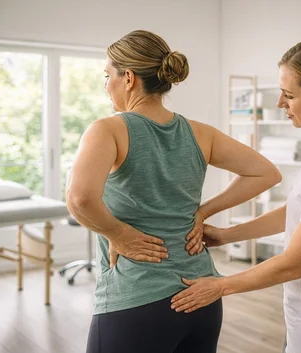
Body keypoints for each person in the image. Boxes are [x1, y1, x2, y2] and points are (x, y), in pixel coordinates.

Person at [65, 30, 281, 353]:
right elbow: (266, 173)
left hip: (135, 302)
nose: (106, 85)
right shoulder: (200, 133)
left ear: (128, 79)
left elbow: (79, 199)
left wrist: (119, 234)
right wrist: (204, 211)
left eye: (106, 76)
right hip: (201, 297)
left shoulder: (107, 130)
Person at [173, 34, 301, 353]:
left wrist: (220, 286)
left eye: (288, 95)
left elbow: (294, 264)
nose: (279, 104)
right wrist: (229, 235)